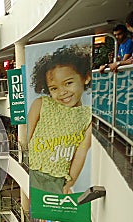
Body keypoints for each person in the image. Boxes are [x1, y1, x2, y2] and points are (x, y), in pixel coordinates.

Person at [28, 44, 92, 194]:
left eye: (68, 83)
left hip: (59, 179)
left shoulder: (89, 117)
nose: (62, 92)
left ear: (86, 78)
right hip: (32, 172)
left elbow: (81, 152)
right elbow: (27, 136)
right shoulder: (41, 104)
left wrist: (70, 182)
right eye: (54, 88)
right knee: (37, 211)